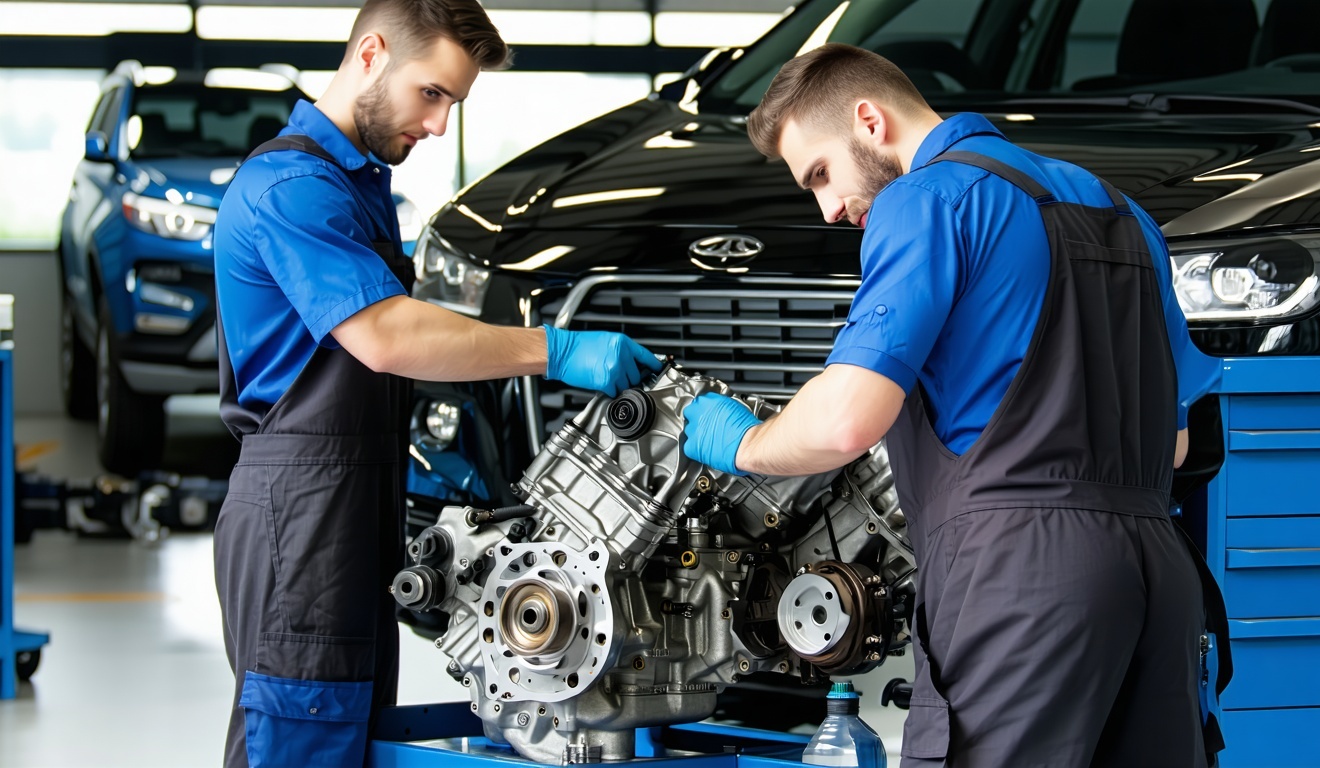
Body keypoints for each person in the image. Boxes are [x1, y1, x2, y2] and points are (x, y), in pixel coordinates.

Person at [683, 44, 1224, 767]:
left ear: (868, 120)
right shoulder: (1127, 216)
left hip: (1023, 577)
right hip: (1160, 579)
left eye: (819, 174)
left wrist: (743, 443)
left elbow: (848, 419)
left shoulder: (927, 198)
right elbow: (1179, 444)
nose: (830, 207)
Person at [212, 2, 660, 765]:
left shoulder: (355, 186)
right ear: (371, 54)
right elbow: (387, 337)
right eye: (431, 93)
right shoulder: (291, 189)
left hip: (347, 509)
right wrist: (555, 350)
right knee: (303, 738)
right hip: (302, 516)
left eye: (453, 102)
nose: (440, 124)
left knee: (346, 734)